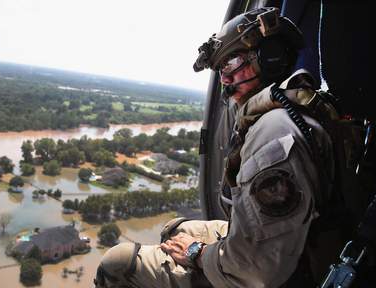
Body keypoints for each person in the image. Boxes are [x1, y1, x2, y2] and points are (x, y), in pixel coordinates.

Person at [94, 7, 335, 288]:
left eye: (231, 64)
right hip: (293, 248)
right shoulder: (289, 112)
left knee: (119, 262)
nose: (225, 79)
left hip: (284, 274)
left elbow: (255, 270)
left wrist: (196, 253)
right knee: (175, 230)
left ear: (270, 59)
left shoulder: (274, 132)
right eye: (221, 69)